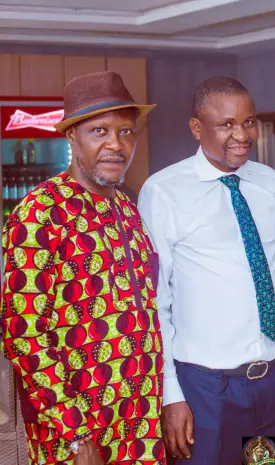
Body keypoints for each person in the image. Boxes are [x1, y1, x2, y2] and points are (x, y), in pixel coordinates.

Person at [137, 76, 275, 464]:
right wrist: (170, 393)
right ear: (197, 128)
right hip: (206, 387)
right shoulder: (163, 191)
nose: (242, 135)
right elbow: (156, 301)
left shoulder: (269, 182)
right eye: (226, 124)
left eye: (248, 122)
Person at [1, 71, 164, 464]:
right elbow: (22, 333)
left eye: (126, 132)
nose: (116, 144)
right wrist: (75, 434)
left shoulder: (127, 208)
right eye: (99, 131)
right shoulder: (41, 212)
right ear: (72, 136)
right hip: (76, 435)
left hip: (139, 422)